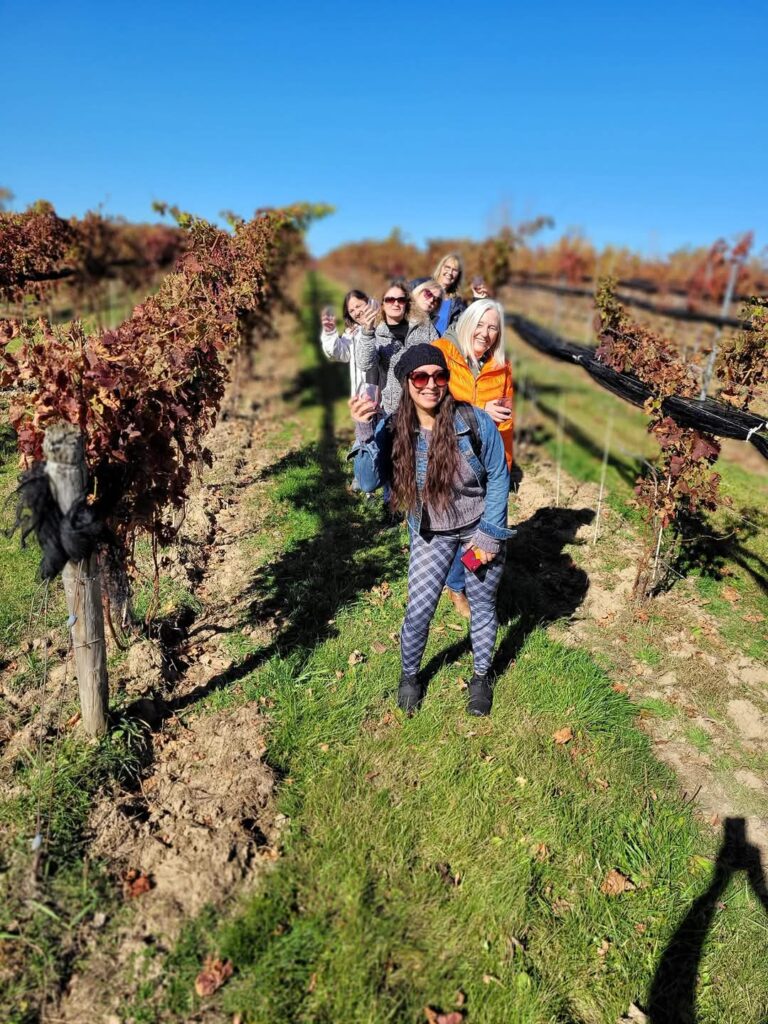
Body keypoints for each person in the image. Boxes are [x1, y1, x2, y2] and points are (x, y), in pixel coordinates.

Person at [349, 344, 515, 716]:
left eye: (439, 376)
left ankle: (481, 676)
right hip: (430, 532)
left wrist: (489, 533)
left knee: (484, 606)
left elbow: (499, 478)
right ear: (407, 383)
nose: (431, 385)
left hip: (476, 530)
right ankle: (410, 676)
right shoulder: (393, 429)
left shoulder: (473, 421)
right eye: (420, 377)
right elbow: (366, 482)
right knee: (420, 608)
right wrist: (363, 430)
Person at [432, 299, 514, 618]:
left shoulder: (501, 366)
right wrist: (480, 412)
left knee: (484, 530)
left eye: (493, 327)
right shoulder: (441, 353)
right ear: (467, 323)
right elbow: (431, 404)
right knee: (456, 531)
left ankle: (466, 576)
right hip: (450, 460)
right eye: (480, 324)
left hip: (486, 464)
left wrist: (504, 468)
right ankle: (456, 585)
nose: (486, 333)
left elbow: (506, 419)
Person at [356, 279, 438, 414]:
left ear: (407, 303)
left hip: (425, 403)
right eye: (390, 300)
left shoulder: (423, 324)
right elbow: (364, 364)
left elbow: (438, 354)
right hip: (395, 409)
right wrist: (367, 332)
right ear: (382, 303)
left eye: (401, 300)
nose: (396, 303)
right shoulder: (375, 333)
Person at [319, 289, 372, 395]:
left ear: (368, 302)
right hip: (362, 401)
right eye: (351, 311)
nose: (356, 313)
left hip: (385, 402)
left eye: (358, 306)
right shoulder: (352, 334)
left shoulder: (383, 327)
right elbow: (339, 354)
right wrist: (329, 333)